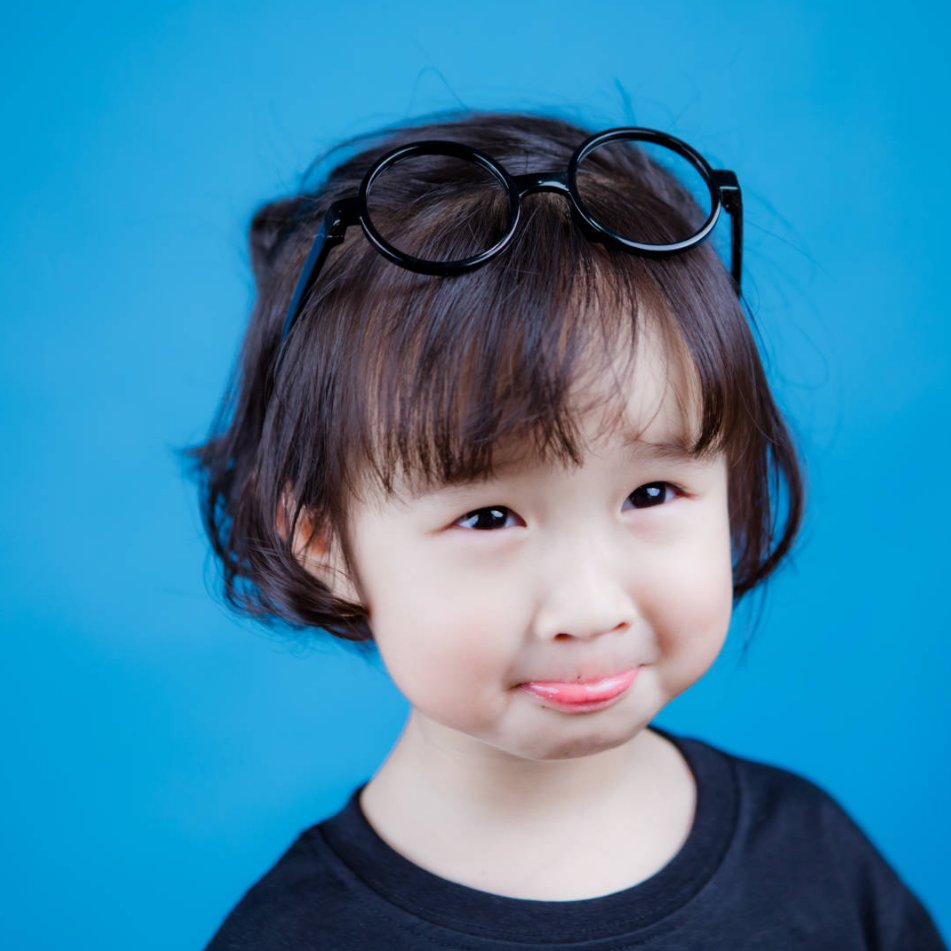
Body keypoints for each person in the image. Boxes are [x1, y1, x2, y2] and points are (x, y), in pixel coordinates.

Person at [185, 109, 946, 949]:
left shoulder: (811, 856)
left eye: (651, 493)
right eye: (487, 517)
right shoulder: (298, 935)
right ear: (324, 543)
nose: (588, 608)